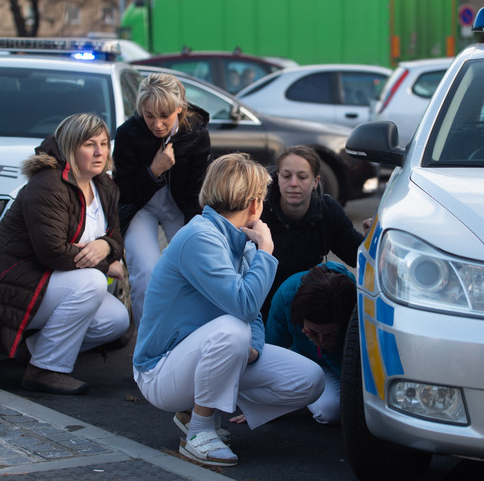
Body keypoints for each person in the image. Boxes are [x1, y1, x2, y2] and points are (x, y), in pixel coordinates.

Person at [132, 153, 326, 467]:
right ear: (254, 203)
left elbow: (254, 315)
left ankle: (196, 408)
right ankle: (199, 430)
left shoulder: (239, 241)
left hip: (202, 359)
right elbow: (245, 304)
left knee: (309, 379)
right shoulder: (200, 237)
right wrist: (266, 250)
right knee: (233, 330)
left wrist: (254, 347)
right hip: (159, 372)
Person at [0, 113, 130, 395]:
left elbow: (116, 236)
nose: (100, 152)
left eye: (104, 143)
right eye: (89, 144)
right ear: (70, 147)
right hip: (14, 285)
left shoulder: (104, 186)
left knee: (115, 320)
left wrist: (106, 246)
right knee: (93, 283)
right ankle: (46, 370)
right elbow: (52, 251)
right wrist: (104, 264)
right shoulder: (48, 184)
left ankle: (34, 351)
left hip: (55, 284)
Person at [112, 73, 211, 331]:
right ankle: (147, 346)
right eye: (149, 115)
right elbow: (124, 193)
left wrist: (197, 234)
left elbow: (196, 193)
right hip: (140, 206)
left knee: (193, 269)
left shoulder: (195, 133)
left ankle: (190, 336)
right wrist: (153, 171)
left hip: (180, 206)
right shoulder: (128, 134)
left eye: (164, 115)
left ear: (180, 107)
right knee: (145, 274)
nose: (157, 124)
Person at [259, 145, 364, 319]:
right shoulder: (258, 209)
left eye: (302, 177)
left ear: (315, 182)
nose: (293, 184)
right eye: (286, 176)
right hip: (261, 309)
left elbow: (358, 255)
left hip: (306, 310)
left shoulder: (327, 210)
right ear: (277, 178)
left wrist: (374, 239)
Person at [264, 261, 356, 425]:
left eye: (329, 333)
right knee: (328, 410)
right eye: (313, 332)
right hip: (305, 361)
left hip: (344, 362)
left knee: (343, 409)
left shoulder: (355, 303)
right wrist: (263, 405)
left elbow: (357, 371)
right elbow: (272, 347)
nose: (320, 340)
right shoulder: (287, 295)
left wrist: (332, 349)